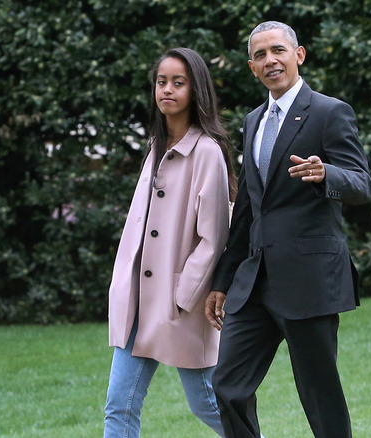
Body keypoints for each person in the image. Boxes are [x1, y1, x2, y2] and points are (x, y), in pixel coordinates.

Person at [205, 21, 371, 438]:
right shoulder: (253, 121)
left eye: (278, 51)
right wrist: (222, 281)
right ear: (251, 67)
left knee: (319, 395)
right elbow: (246, 208)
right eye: (260, 55)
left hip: (309, 282)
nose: (270, 60)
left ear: (298, 56)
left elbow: (362, 185)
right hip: (255, 283)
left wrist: (326, 173)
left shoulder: (330, 112)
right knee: (227, 387)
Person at [104, 47, 237, 437]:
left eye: (179, 82)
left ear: (196, 91)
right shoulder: (155, 147)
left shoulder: (207, 153)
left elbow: (214, 237)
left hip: (180, 302)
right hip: (138, 300)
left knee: (207, 403)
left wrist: (182, 294)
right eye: (162, 82)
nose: (167, 90)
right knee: (119, 404)